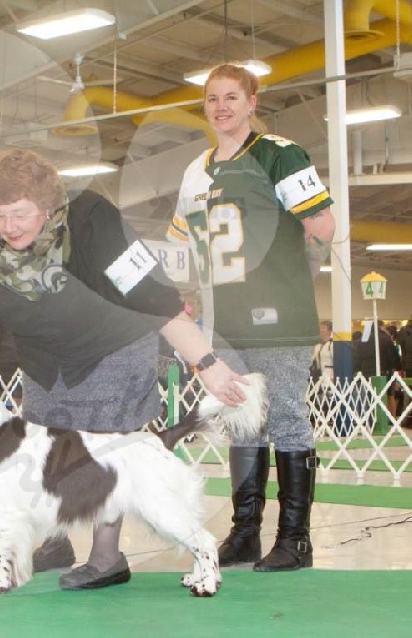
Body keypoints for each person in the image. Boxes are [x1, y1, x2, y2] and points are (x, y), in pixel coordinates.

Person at [0, 148, 244, 591]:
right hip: (44, 357)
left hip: (113, 345)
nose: (8, 226)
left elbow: (154, 298)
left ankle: (108, 558)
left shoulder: (93, 221)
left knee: (109, 450)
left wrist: (207, 363)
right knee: (47, 448)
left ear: (47, 205)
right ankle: (55, 539)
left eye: (20, 214)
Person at [168, 63, 336, 573]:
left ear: (252, 102)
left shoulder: (279, 154)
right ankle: (245, 533)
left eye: (231, 97)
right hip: (224, 319)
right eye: (212, 98)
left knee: (284, 417)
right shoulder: (195, 171)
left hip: (280, 314)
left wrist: (293, 274)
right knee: (242, 422)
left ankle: (295, 540)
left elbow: (323, 224)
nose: (221, 107)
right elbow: (180, 245)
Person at [310, 320, 334, 384]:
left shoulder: (332, 345)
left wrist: (333, 376)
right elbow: (312, 360)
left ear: (329, 331)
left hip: (330, 378)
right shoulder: (317, 346)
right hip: (319, 378)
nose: (320, 330)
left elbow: (337, 362)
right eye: (320, 328)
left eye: (323, 328)